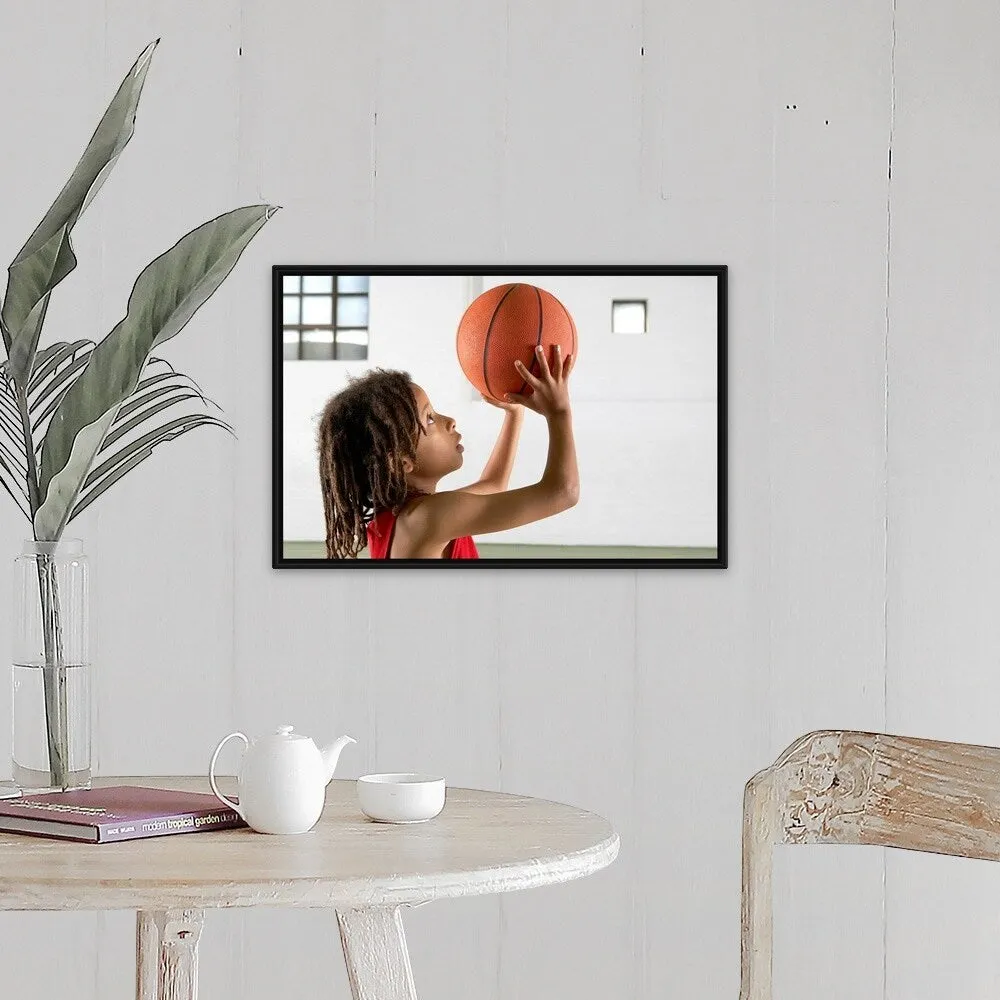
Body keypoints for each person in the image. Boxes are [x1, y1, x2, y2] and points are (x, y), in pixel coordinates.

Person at [317, 344, 578, 559]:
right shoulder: (432, 516)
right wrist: (559, 412)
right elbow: (563, 493)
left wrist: (514, 414)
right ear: (402, 460)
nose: (450, 420)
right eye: (429, 418)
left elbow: (494, 484)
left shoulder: (397, 517)